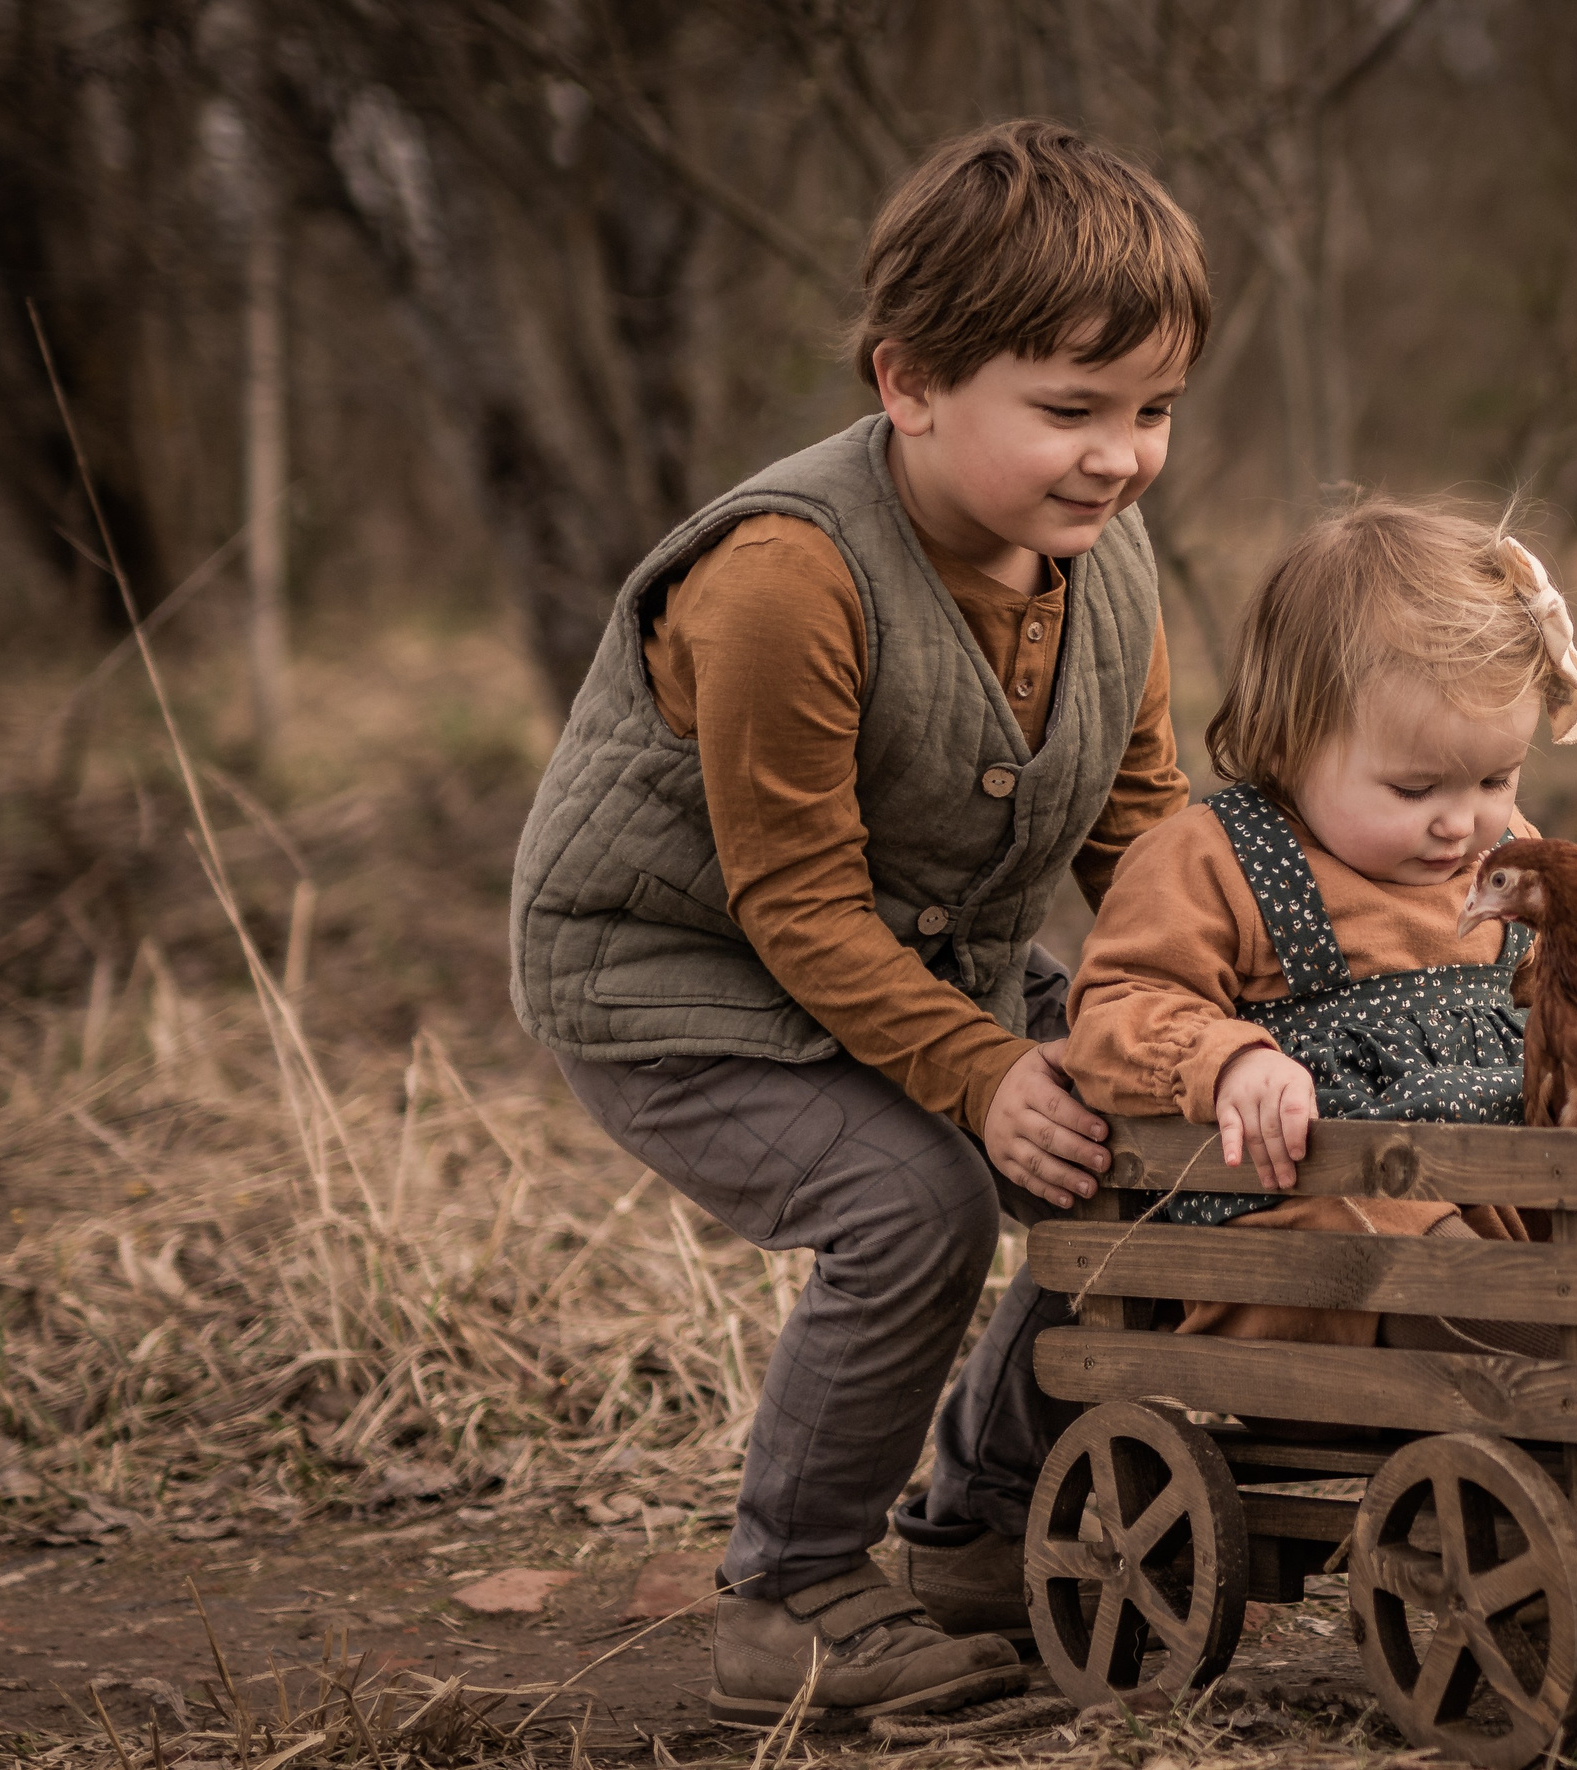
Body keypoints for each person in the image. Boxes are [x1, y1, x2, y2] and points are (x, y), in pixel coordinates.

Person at [508, 119, 1204, 1727]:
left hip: (918, 954)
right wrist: (983, 1074)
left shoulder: (1105, 554)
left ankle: (973, 1525)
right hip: (678, 974)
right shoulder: (786, 575)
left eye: (1153, 409)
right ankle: (795, 1592)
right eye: (1069, 410)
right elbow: (794, 903)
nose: (1119, 453)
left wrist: (1210, 1007)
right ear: (910, 385)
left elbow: (1142, 822)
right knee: (919, 1202)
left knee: (1159, 1148)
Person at [1062, 499, 1577, 1350]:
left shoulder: (1513, 863)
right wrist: (1226, 1060)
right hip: (1302, 1237)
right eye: (1415, 790)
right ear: (1288, 743)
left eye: (1497, 779)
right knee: (1401, 1240)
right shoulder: (1215, 860)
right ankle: (1558, 1350)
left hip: (1502, 1203)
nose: (1462, 824)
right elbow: (1115, 1012)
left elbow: (1573, 1005)